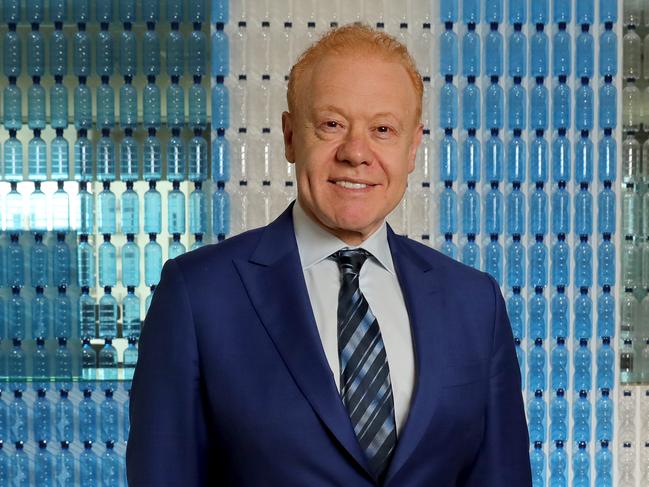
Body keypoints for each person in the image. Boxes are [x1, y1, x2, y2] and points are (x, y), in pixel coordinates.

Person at [126, 24, 532, 486]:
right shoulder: (198, 296)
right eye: (332, 125)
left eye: (383, 129)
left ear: (413, 147)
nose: (357, 153)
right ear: (290, 136)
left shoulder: (475, 304)